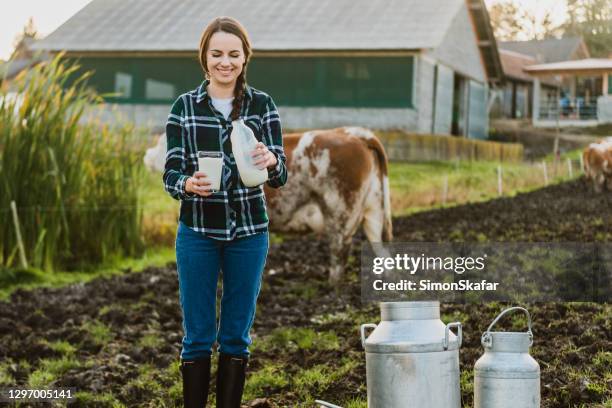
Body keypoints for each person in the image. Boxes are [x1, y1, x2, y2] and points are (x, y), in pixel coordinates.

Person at [162, 16, 288, 408]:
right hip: (197, 231)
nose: (225, 62)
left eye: (233, 54)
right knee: (197, 333)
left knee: (236, 334)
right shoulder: (184, 107)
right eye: (217, 54)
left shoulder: (262, 105)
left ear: (244, 57)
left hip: (250, 233)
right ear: (205, 57)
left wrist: (270, 161)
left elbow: (281, 174)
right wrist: (186, 184)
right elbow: (170, 172)